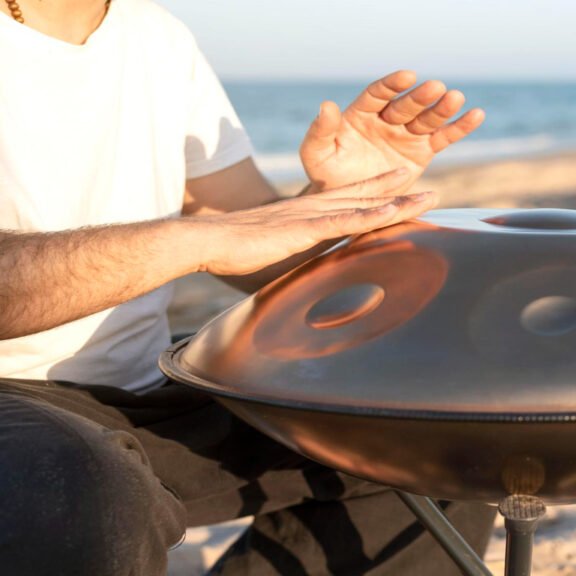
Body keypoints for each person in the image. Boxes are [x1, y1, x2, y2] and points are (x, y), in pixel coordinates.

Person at [0, 0, 496, 574]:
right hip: (20, 414)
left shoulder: (156, 34)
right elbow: (213, 238)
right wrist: (194, 240)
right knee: (80, 489)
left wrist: (334, 197)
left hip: (141, 389)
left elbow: (247, 254)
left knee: (443, 434)